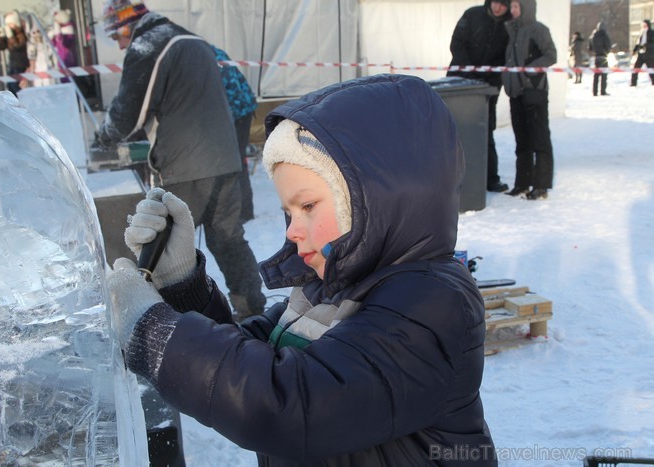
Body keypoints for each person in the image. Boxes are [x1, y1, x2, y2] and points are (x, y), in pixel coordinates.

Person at [105, 73, 497, 466]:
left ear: (378, 198)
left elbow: (290, 403)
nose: (292, 231)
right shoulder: (326, 289)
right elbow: (251, 359)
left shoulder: (431, 304)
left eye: (307, 206)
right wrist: (182, 282)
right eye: (287, 212)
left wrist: (154, 334)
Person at [94, 0, 266, 320]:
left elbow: (128, 115)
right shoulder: (191, 39)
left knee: (167, 249)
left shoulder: (148, 45)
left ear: (128, 25)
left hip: (185, 165)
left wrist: (103, 137)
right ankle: (252, 310)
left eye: (116, 36)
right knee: (228, 240)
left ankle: (167, 321)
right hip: (225, 158)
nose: (118, 45)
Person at [448, 0, 511, 193]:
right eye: (495, 2)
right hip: (460, 82)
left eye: (503, 4)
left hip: (487, 87)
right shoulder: (472, 15)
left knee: (485, 130)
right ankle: (449, 176)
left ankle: (490, 178)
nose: (497, 7)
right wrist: (470, 72)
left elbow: (506, 58)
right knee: (453, 129)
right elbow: (457, 44)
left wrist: (488, 79)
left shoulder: (509, 26)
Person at [502, 0, 556, 200]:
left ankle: (541, 185)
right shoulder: (512, 30)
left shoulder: (538, 30)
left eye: (517, 7)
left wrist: (531, 70)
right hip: (516, 93)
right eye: (513, 7)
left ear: (526, 8)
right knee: (522, 140)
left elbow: (551, 55)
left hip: (534, 91)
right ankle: (522, 183)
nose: (513, 11)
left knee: (539, 139)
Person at [210, 43, 258, 222]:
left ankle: (243, 211)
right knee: (239, 161)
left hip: (235, 112)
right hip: (243, 108)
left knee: (234, 163)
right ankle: (245, 209)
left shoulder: (199, 56)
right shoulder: (210, 51)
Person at [0, 10, 30, 96]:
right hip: (12, 65)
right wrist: (1, 37)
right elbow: (2, 47)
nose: (9, 26)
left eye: (11, 24)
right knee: (10, 86)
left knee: (16, 87)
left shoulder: (21, 34)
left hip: (21, 65)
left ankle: (21, 104)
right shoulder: (10, 34)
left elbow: (17, 46)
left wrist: (11, 36)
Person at [588, 21, 612, 96]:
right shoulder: (604, 35)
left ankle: (595, 92)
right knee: (604, 75)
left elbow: (590, 47)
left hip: (596, 56)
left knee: (596, 75)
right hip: (603, 56)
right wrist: (607, 51)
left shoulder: (593, 35)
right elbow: (608, 45)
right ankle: (603, 91)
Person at [630, 19, 654, 87]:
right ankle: (633, 83)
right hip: (641, 54)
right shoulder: (642, 33)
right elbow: (638, 43)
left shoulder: (651, 32)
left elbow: (652, 43)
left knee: (651, 69)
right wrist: (634, 50)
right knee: (636, 68)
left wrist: (646, 46)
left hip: (649, 55)